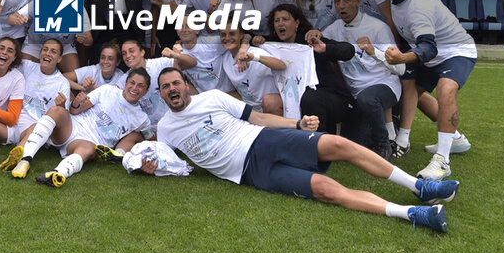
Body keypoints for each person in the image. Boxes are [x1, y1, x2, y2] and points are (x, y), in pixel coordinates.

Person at [150, 69, 458, 232]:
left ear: (187, 85)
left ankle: (420, 187)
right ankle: (414, 214)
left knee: (338, 144)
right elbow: (161, 159)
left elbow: (258, 117)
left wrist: (296, 124)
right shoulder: (165, 128)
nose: (173, 89)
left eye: (176, 82)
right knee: (326, 190)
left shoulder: (213, 97)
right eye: (166, 87)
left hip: (264, 139)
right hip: (251, 173)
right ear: (161, 94)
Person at [377, 0, 475, 180]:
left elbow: (428, 48)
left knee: (446, 89)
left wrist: (402, 58)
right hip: (430, 52)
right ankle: (457, 139)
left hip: (455, 51)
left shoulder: (417, 5)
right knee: (409, 94)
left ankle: (442, 161)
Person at [0, 69, 152, 186]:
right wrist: (77, 103)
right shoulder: (108, 90)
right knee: (57, 111)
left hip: (89, 142)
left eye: (140, 86)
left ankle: (57, 174)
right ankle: (25, 160)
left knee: (88, 150)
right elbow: (75, 110)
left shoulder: (142, 119)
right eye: (132, 82)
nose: (134, 87)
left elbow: (151, 138)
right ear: (126, 83)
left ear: (145, 91)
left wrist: (134, 143)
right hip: (73, 126)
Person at [322, 0, 404, 157]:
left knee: (369, 99)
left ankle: (384, 143)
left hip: (384, 85)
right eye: (337, 1)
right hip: (355, 94)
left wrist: (374, 51)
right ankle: (388, 127)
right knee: (356, 141)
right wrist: (313, 34)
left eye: (347, 0)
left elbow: (400, 68)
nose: (342, 5)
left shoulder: (378, 28)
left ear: (358, 1)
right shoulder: (334, 29)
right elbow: (318, 42)